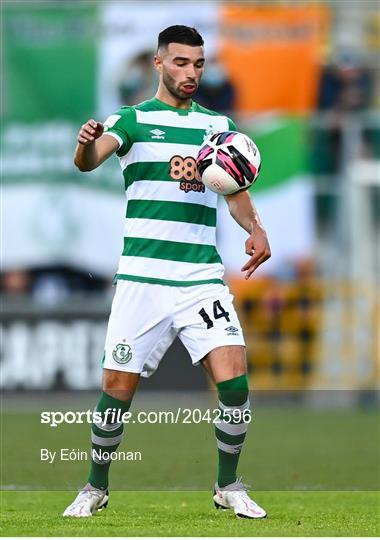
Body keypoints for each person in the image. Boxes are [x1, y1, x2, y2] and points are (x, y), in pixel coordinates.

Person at [63, 25, 271, 520]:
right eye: (181, 63)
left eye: (198, 64)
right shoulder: (132, 119)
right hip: (141, 278)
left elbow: (235, 189)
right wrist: (84, 144)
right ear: (159, 64)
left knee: (235, 377)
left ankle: (228, 484)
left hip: (200, 277)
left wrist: (256, 228)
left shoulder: (217, 126)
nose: (191, 73)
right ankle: (95, 486)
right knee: (117, 387)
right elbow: (91, 160)